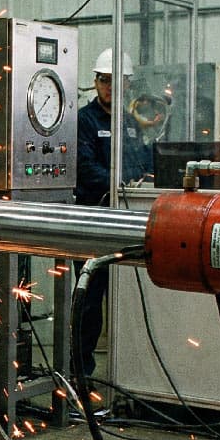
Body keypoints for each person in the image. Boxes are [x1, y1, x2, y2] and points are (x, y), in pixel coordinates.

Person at [73, 48, 152, 376]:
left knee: (127, 301)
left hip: (128, 219)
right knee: (90, 302)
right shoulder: (84, 120)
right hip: (95, 219)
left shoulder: (130, 122)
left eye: (114, 82)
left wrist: (146, 179)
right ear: (95, 82)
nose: (108, 87)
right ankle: (80, 374)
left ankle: (129, 375)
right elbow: (84, 167)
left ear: (126, 84)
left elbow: (143, 162)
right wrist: (119, 182)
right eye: (103, 80)